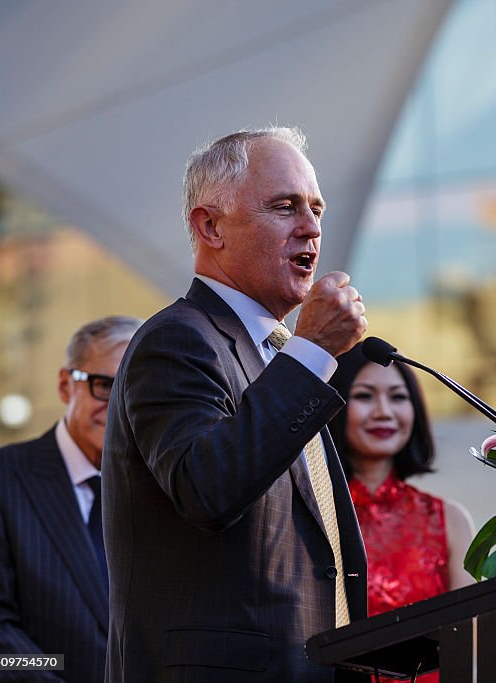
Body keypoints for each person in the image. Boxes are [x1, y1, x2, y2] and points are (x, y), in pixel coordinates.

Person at [102, 127, 368, 683]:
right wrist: (313, 351)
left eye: (316, 208)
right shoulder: (177, 340)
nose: (312, 228)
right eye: (284, 206)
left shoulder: (281, 357)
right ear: (210, 226)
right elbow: (208, 488)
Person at [0, 315, 142, 683]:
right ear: (66, 386)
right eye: (105, 386)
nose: (121, 406)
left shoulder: (168, 490)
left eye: (136, 390)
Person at [327, 345, 475, 621]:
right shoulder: (312, 514)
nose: (384, 411)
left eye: (397, 397)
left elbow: (471, 636)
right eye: (364, 396)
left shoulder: (450, 520)